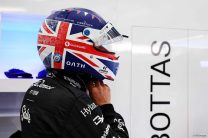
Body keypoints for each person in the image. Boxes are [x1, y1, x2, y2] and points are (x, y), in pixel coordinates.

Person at [20, 8, 129, 138]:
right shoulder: (74, 101)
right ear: (77, 45)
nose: (105, 50)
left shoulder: (36, 87)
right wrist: (106, 106)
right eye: (100, 45)